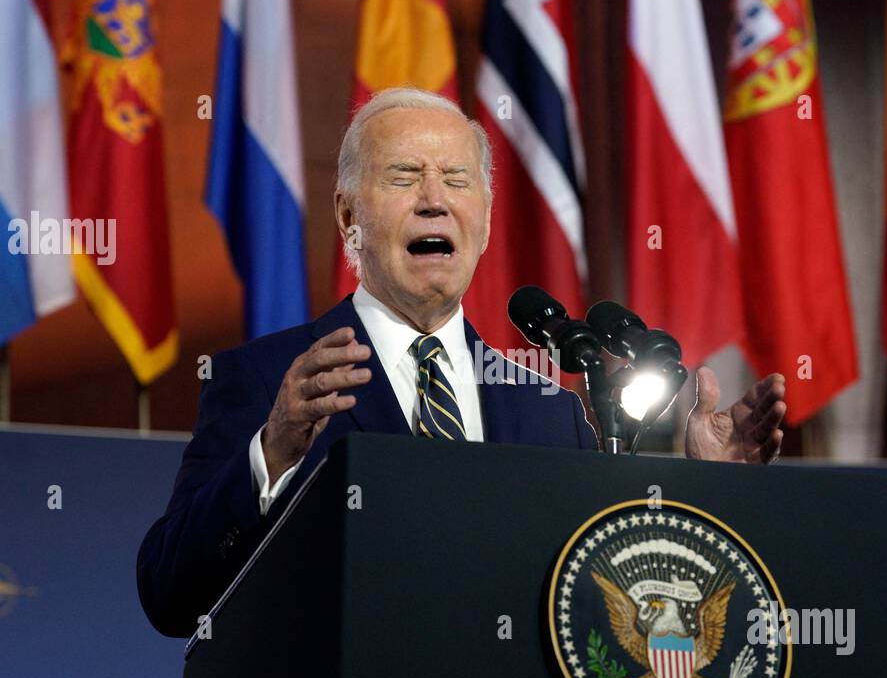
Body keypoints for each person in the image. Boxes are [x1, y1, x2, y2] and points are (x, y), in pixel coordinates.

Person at [137, 87, 786, 638]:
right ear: (348, 216)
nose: (433, 199)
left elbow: (610, 606)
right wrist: (274, 450)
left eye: (455, 180)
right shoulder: (268, 380)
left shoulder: (550, 413)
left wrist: (711, 491)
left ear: (485, 217)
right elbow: (170, 595)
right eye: (402, 177)